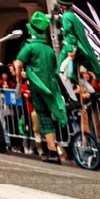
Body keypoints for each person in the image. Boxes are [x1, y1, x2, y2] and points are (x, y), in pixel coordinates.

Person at [14, 11, 67, 163]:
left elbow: (18, 63)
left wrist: (19, 77)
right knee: (51, 116)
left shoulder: (30, 46)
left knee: (43, 116)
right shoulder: (49, 49)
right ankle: (54, 148)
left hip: (37, 85)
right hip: (51, 85)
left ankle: (52, 150)